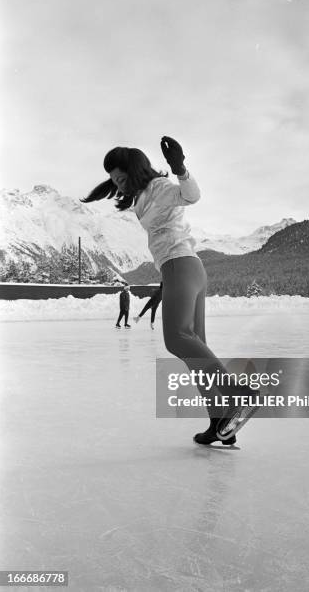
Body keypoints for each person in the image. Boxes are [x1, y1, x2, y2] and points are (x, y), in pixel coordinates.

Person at [81, 137, 256, 445]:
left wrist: (180, 168)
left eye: (121, 179)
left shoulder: (160, 187)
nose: (118, 186)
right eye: (114, 181)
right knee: (194, 348)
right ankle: (219, 421)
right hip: (184, 269)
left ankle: (236, 392)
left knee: (177, 339)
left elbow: (191, 196)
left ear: (134, 171)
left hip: (180, 265)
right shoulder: (142, 196)